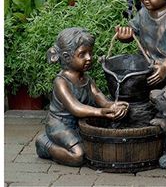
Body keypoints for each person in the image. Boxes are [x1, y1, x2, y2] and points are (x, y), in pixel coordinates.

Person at [35, 27, 129, 167]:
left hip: (80, 124)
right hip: (60, 125)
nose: (89, 58)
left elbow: (99, 97)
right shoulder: (61, 82)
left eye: (90, 53)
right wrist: (101, 112)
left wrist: (113, 106)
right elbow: (75, 107)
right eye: (82, 54)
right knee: (78, 156)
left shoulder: (87, 79)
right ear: (67, 57)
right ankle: (45, 144)